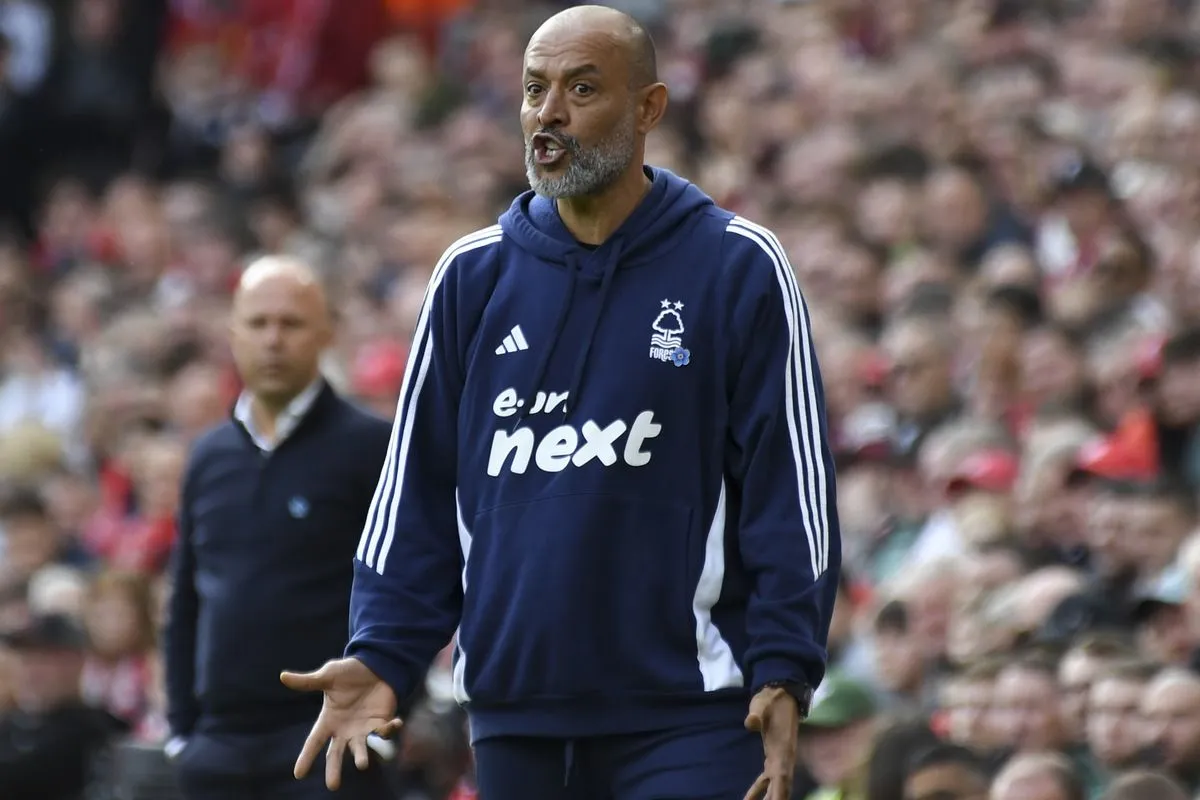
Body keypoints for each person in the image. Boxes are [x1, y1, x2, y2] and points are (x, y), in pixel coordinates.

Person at [281, 5, 841, 800]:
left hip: (692, 712)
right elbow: (417, 495)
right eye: (533, 89)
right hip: (514, 718)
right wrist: (382, 652)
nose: (548, 113)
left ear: (648, 108)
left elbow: (792, 488)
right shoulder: (471, 276)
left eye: (581, 89)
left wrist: (786, 663)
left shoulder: (737, 264)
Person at [162, 255, 394, 799]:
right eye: (258, 323)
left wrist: (384, 724)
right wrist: (182, 732)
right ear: (233, 335)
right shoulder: (208, 456)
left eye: (291, 323)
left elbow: (410, 585)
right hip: (217, 745)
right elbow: (185, 600)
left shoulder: (371, 447)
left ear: (325, 334)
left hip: (328, 738)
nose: (273, 340)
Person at [0, 613, 127, 800]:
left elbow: (31, 774)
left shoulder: (96, 729)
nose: (31, 671)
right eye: (25, 658)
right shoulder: (9, 725)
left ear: (77, 661)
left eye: (44, 658)